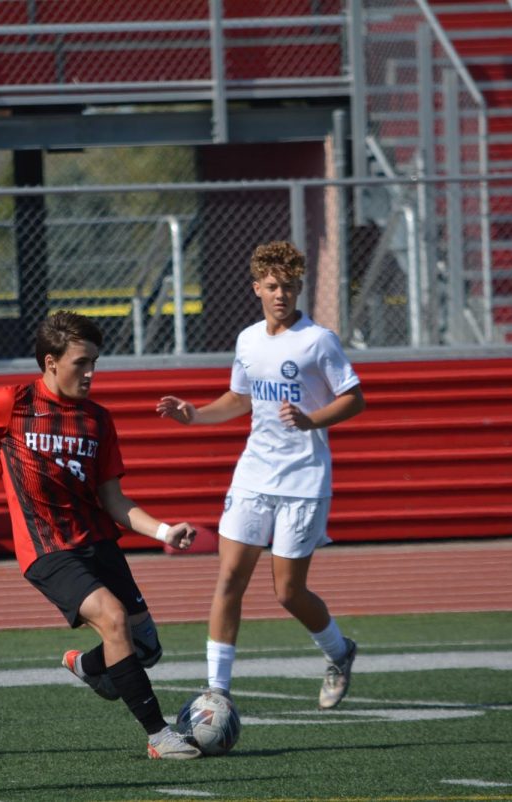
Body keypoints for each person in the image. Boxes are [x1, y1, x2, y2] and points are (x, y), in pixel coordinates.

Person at [0, 311, 202, 760]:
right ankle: (158, 736)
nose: (91, 373)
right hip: (46, 549)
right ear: (50, 362)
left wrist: (166, 531)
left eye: (95, 361)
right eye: (81, 363)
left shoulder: (98, 420)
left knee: (145, 647)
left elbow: (114, 500)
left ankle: (88, 665)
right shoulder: (10, 402)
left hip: (99, 543)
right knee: (113, 620)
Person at [156, 240, 365, 710]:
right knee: (229, 578)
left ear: (299, 288)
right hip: (253, 475)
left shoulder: (318, 340)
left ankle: (339, 651)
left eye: (289, 287)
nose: (281, 295)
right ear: (256, 288)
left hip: (304, 480)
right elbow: (239, 399)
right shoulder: (249, 340)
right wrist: (194, 415)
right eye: (272, 286)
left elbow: (355, 398)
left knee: (288, 591)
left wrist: (314, 419)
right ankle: (217, 691)